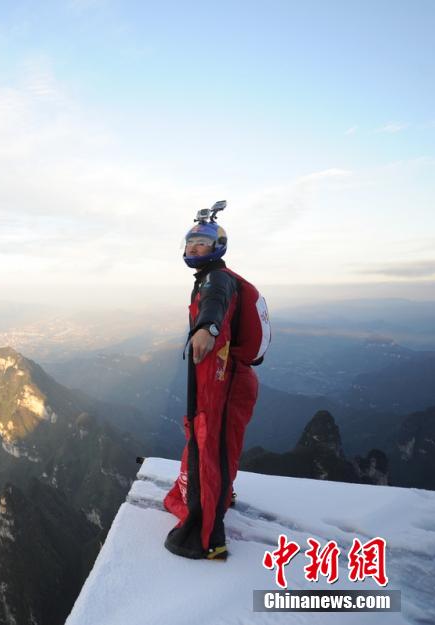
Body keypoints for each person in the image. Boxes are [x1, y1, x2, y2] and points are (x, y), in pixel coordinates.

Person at [163, 203, 266, 561]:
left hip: (226, 383)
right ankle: (222, 495)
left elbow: (215, 305)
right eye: (190, 243)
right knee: (223, 442)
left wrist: (207, 328)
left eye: (202, 243)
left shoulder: (217, 279)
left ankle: (207, 536)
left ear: (217, 246)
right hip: (235, 380)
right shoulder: (216, 277)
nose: (193, 248)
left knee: (209, 443)